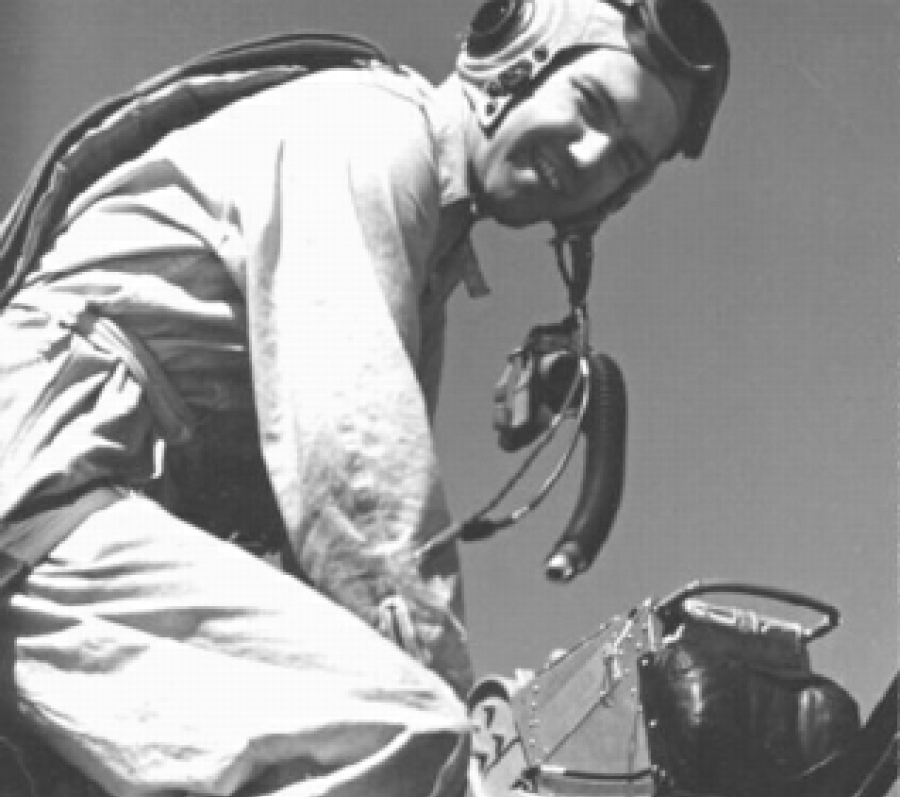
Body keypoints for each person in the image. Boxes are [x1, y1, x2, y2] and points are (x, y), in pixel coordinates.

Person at [0, 0, 729, 794]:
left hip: (78, 508)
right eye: (590, 107)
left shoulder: (426, 265)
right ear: (518, 53)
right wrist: (476, 731)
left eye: (625, 160)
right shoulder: (374, 133)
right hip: (43, 477)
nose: (590, 157)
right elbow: (356, 479)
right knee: (399, 731)